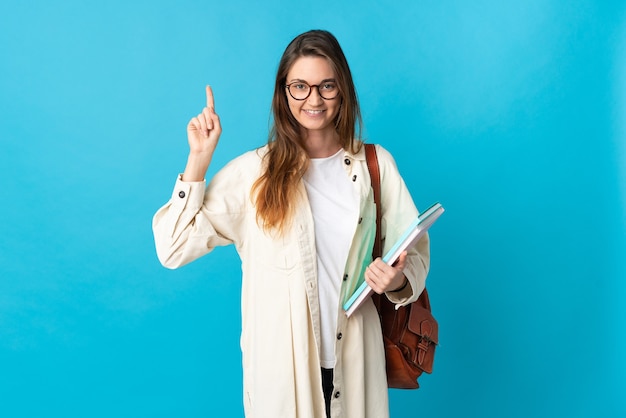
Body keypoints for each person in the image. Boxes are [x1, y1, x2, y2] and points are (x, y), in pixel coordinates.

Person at [152, 29, 430, 418]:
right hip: (282, 380)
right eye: (300, 86)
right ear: (283, 92)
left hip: (357, 370)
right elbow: (172, 247)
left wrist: (397, 281)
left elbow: (413, 253)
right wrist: (198, 159)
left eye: (326, 86)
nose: (313, 99)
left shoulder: (375, 166)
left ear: (343, 90)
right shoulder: (254, 174)